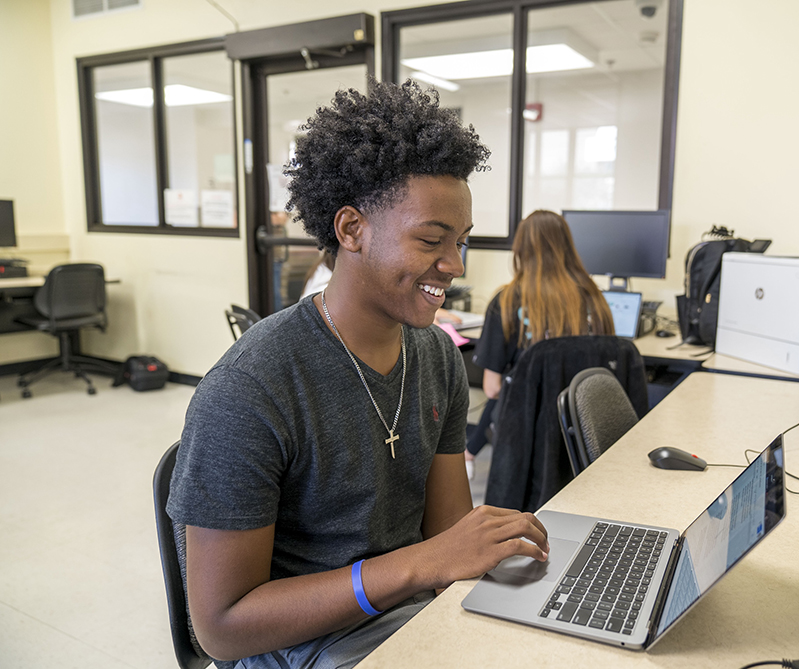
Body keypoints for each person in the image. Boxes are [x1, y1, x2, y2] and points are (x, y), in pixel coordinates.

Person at [166, 79, 549, 669]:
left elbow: (447, 540)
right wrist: (421, 565)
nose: (454, 265)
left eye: (462, 242)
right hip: (304, 649)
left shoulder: (437, 355)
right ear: (351, 230)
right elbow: (222, 629)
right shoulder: (250, 389)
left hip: (411, 614)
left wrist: (487, 560)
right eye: (431, 240)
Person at [467, 210, 616, 472]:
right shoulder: (596, 298)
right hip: (583, 425)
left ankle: (468, 455)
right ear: (567, 247)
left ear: (520, 250)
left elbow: (492, 389)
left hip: (526, 432)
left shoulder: (506, 301)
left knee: (505, 390)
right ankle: (469, 453)